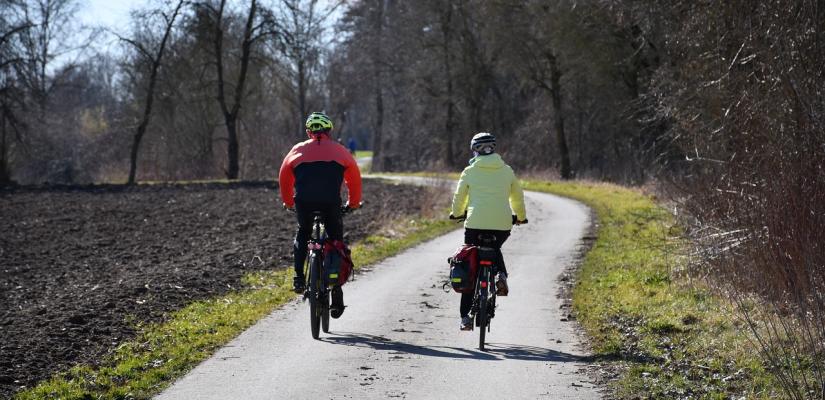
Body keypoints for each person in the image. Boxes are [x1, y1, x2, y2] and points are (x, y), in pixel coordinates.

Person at [279, 112, 362, 319]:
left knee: (303, 232)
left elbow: (284, 178)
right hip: (330, 204)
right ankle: (337, 291)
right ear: (329, 131)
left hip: (304, 203)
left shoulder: (296, 150)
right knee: (335, 241)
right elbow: (354, 179)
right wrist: (351, 204)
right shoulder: (341, 151)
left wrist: (289, 202)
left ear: (308, 132)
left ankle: (298, 277)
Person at [449, 132, 527, 331]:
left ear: (474, 150)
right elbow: (517, 196)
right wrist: (520, 216)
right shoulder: (507, 170)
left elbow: (459, 197)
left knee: (471, 264)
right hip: (501, 223)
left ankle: (465, 317)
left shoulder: (469, 171)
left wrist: (456, 213)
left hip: (475, 223)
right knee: (494, 248)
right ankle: (501, 274)